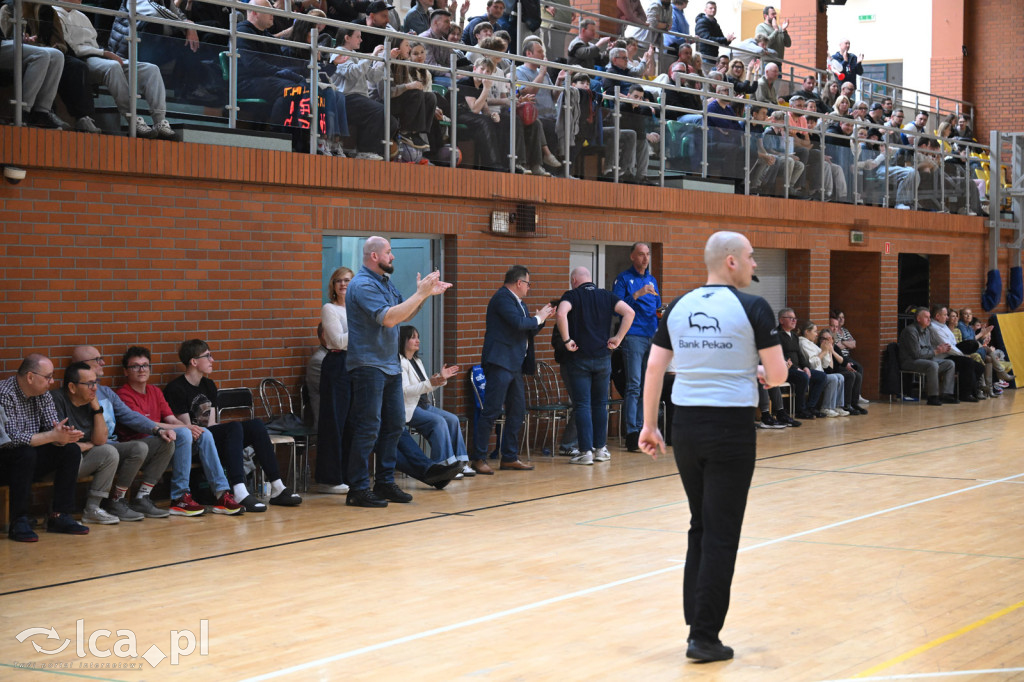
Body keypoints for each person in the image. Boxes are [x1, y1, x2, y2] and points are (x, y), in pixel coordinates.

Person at [639, 231, 787, 662]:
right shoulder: (753, 307)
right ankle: (704, 637)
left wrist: (649, 425)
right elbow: (779, 375)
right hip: (730, 430)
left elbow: (654, 368)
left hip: (686, 427)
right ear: (731, 261)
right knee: (721, 533)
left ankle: (696, 626)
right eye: (752, 257)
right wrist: (761, 371)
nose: (756, 264)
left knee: (700, 526)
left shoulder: (679, 305)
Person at [345, 236, 452, 507]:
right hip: (368, 366)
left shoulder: (384, 282)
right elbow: (390, 318)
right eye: (389, 252)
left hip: (389, 366)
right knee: (369, 428)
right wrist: (420, 293)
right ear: (374, 256)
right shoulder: (362, 284)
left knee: (394, 425)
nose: (393, 256)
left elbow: (405, 314)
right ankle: (357, 489)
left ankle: (384, 483)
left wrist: (424, 295)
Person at [164, 339, 302, 511]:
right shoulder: (176, 388)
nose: (212, 360)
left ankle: (277, 487)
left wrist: (229, 436)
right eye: (207, 356)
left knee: (256, 425)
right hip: (194, 443)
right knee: (233, 427)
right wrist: (228, 433)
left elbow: (212, 423)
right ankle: (239, 490)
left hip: (209, 437)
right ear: (194, 361)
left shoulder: (209, 385)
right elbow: (188, 429)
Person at [116, 346, 236, 516]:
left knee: (204, 433)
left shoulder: (155, 391)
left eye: (145, 365)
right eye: (135, 366)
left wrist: (191, 429)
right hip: (140, 446)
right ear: (126, 371)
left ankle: (221, 494)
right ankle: (180, 496)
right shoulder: (123, 394)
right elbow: (146, 424)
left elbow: (171, 419)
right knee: (186, 432)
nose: (142, 370)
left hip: (166, 444)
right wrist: (186, 428)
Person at [69, 344, 179, 519]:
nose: (103, 363)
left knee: (165, 442)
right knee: (137, 448)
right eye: (98, 359)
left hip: (114, 446)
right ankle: (116, 500)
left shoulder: (106, 392)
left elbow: (130, 415)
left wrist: (157, 430)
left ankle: (142, 497)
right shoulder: (76, 393)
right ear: (82, 364)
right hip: (94, 449)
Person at [471, 265, 555, 474]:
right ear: (519, 282)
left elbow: (526, 329)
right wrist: (537, 318)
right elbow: (518, 324)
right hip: (500, 362)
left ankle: (509, 457)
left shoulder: (519, 303)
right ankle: (478, 458)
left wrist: (541, 319)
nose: (529, 288)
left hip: (515, 364)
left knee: (517, 411)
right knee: (491, 411)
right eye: (528, 283)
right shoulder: (502, 299)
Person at [0, 354, 88, 541]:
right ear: (30, 377)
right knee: (25, 453)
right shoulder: (5, 393)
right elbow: (10, 439)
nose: (52, 381)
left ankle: (60, 515)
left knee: (70, 450)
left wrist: (63, 436)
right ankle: (19, 520)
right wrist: (51, 436)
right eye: (48, 377)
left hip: (28, 459)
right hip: (6, 460)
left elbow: (51, 428)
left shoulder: (43, 394)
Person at [56, 0, 175, 139]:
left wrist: (104, 53)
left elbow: (94, 43)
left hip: (100, 55)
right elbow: (71, 49)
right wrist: (104, 53)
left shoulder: (82, 16)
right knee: (113, 66)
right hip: (82, 60)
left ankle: (160, 121)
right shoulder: (54, 14)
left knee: (151, 69)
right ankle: (133, 120)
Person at [556, 266, 635, 465]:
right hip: (603, 358)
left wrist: (567, 340)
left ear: (574, 280)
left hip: (579, 358)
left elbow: (561, 314)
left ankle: (585, 452)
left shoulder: (572, 295)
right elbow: (629, 312)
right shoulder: (606, 296)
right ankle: (600, 449)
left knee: (582, 405)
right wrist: (618, 338)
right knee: (600, 404)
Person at [399, 325, 472, 475]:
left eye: (418, 337)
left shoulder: (417, 361)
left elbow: (426, 386)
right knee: (438, 421)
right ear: (402, 340)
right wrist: (430, 383)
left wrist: (440, 379)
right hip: (410, 408)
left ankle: (460, 463)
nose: (418, 340)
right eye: (413, 337)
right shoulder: (400, 362)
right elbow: (405, 391)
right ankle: (444, 465)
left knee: (452, 419)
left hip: (424, 406)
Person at [612, 242, 661, 452]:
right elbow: (616, 308)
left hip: (651, 335)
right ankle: (631, 432)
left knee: (646, 387)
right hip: (633, 336)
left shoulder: (652, 279)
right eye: (641, 254)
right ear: (632, 256)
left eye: (647, 254)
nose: (645, 258)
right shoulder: (623, 279)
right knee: (633, 385)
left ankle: (642, 430)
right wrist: (637, 294)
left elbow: (656, 306)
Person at [315, 267, 354, 495]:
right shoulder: (329, 308)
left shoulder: (359, 308)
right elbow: (339, 341)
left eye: (347, 280)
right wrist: (363, 328)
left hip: (356, 364)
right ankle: (329, 478)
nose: (343, 284)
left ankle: (349, 475)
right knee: (334, 422)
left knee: (352, 423)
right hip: (337, 364)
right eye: (338, 280)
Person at [898, 308, 955, 406]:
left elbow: (928, 348)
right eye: (926, 317)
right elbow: (916, 354)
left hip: (925, 359)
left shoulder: (927, 330)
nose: (929, 319)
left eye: (929, 317)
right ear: (918, 318)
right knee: (933, 365)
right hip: (910, 361)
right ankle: (933, 397)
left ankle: (947, 394)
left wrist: (938, 349)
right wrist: (936, 351)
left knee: (949, 363)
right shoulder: (910, 331)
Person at [776, 308, 825, 419]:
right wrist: (795, 368)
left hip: (798, 369)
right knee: (802, 377)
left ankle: (810, 407)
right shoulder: (776, 335)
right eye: (791, 318)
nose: (794, 321)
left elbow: (799, 355)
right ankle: (800, 410)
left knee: (821, 376)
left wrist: (806, 367)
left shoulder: (794, 336)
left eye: (795, 318)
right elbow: (780, 355)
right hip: (785, 370)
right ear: (781, 320)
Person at [796, 322, 847, 416]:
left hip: (820, 372)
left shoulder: (811, 344)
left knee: (840, 376)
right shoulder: (803, 343)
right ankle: (826, 407)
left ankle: (837, 406)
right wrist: (823, 351)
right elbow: (812, 363)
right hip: (812, 373)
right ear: (807, 332)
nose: (816, 334)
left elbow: (825, 364)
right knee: (833, 378)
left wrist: (828, 350)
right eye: (815, 331)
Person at [693, 1, 733, 75]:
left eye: (715, 8)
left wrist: (728, 40)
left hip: (713, 56)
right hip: (704, 55)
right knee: (707, 76)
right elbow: (707, 38)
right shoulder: (701, 22)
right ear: (705, 10)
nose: (713, 10)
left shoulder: (715, 24)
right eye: (711, 8)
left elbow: (721, 38)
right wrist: (725, 39)